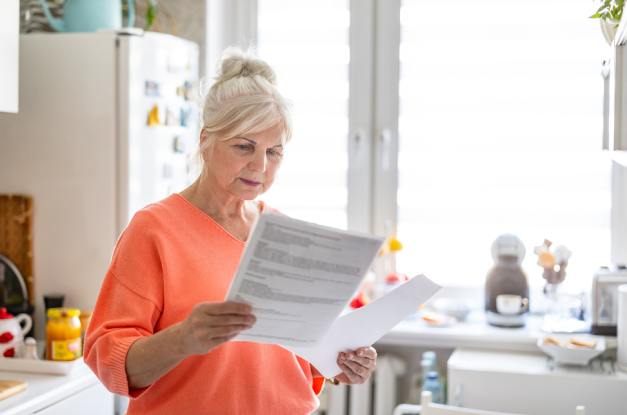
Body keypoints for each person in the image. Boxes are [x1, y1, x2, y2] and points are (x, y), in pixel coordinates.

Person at [83, 48, 377, 414]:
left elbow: (282, 356)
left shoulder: (283, 232)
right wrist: (184, 339)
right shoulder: (154, 230)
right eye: (244, 147)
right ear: (206, 141)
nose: (260, 166)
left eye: (274, 152)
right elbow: (109, 361)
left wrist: (336, 361)